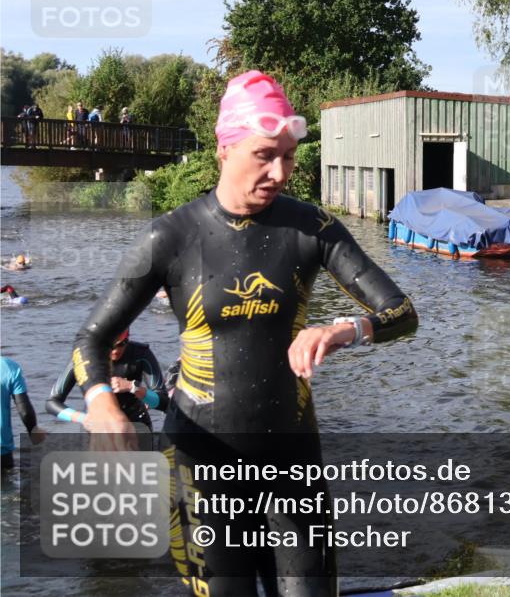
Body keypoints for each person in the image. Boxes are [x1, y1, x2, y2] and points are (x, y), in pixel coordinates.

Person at [70, 69, 418, 596]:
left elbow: (402, 311)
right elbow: (93, 339)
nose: (279, 172)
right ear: (224, 148)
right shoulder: (171, 235)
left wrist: (348, 328)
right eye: (264, 155)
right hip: (200, 464)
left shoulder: (312, 228)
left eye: (288, 157)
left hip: (292, 460)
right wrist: (100, 402)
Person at [47, 328, 167, 431]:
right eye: (112, 345)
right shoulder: (85, 357)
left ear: (128, 339)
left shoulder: (140, 354)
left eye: (122, 344)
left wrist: (132, 387)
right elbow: (52, 403)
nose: (116, 350)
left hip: (135, 422)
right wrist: (82, 418)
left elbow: (164, 403)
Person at [1, 357, 46, 471]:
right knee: (6, 486)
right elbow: (24, 411)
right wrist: (33, 432)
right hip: (2, 452)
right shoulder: (8, 366)